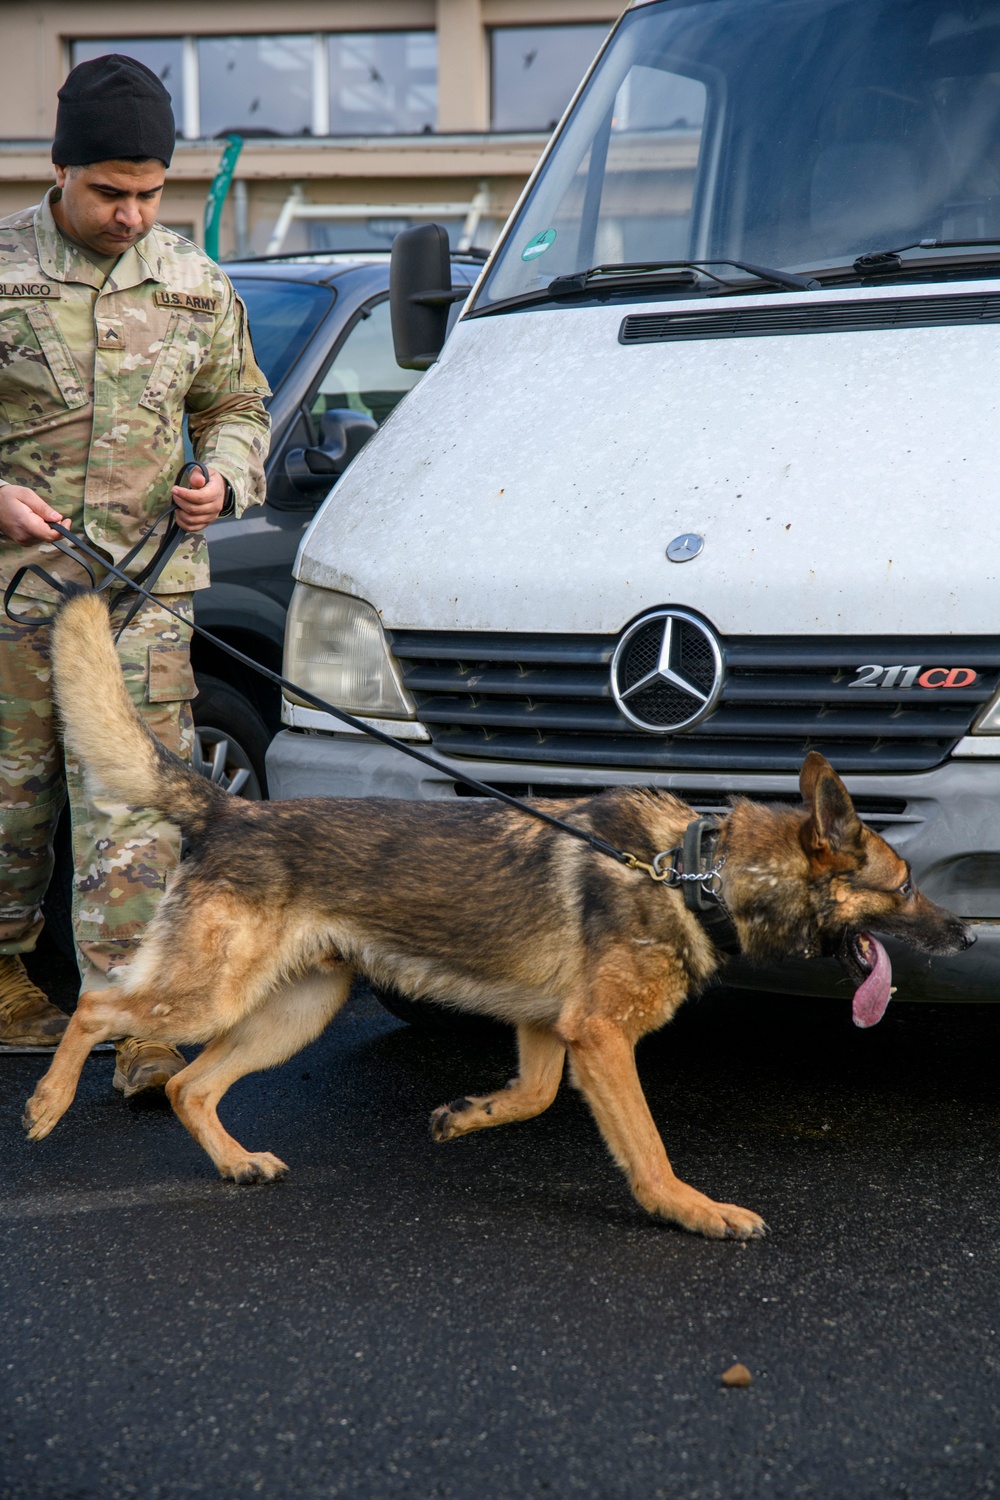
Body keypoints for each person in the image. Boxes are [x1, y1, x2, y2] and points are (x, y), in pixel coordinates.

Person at [0, 55, 270, 1094]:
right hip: (20, 598)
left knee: (141, 803)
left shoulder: (196, 282)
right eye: (110, 192)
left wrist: (222, 475)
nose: (131, 214)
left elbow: (236, 406)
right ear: (58, 170)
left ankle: (140, 1018)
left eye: (150, 193)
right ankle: (9, 978)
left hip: (147, 599)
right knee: (14, 803)